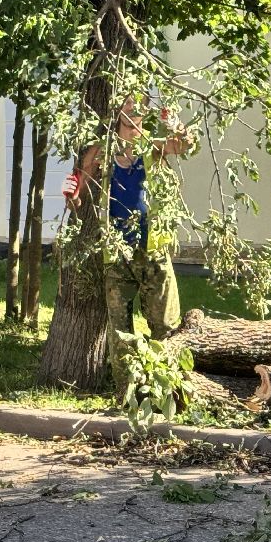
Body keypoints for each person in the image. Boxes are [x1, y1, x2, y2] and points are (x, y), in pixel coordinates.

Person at [63, 97, 193, 392]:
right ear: (118, 108)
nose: (135, 110)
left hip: (153, 250)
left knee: (166, 327)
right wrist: (71, 194)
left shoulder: (153, 144)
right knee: (121, 332)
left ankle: (167, 390)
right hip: (117, 251)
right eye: (129, 103)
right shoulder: (101, 151)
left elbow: (184, 147)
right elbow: (77, 197)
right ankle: (127, 393)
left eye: (141, 104)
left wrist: (177, 127)